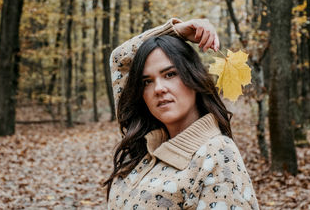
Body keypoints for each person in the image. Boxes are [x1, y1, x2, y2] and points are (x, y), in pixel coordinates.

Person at [105, 18, 259, 210]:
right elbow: (119, 59)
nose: (159, 89)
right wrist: (175, 31)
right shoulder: (144, 147)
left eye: (170, 74)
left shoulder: (217, 154)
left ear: (193, 76)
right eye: (147, 81)